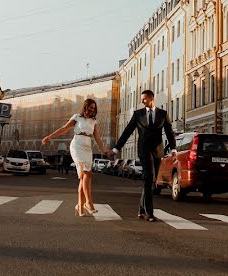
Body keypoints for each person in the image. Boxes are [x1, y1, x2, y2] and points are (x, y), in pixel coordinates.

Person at [110, 90, 176, 222]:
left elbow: (169, 131)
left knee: (151, 182)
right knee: (148, 177)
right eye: (142, 99)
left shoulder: (163, 114)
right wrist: (117, 148)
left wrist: (173, 148)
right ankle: (149, 213)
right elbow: (127, 131)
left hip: (157, 151)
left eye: (144, 99)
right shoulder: (138, 114)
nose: (142, 101)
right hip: (144, 150)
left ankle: (141, 208)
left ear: (151, 98)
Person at [42, 99, 110, 217]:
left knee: (84, 177)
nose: (92, 110)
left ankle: (79, 205)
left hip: (88, 148)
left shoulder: (94, 121)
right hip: (77, 146)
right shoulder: (77, 117)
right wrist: (49, 136)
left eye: (94, 108)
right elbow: (64, 129)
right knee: (86, 174)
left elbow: (98, 138)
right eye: (90, 107)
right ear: (85, 107)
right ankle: (88, 202)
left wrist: (103, 150)